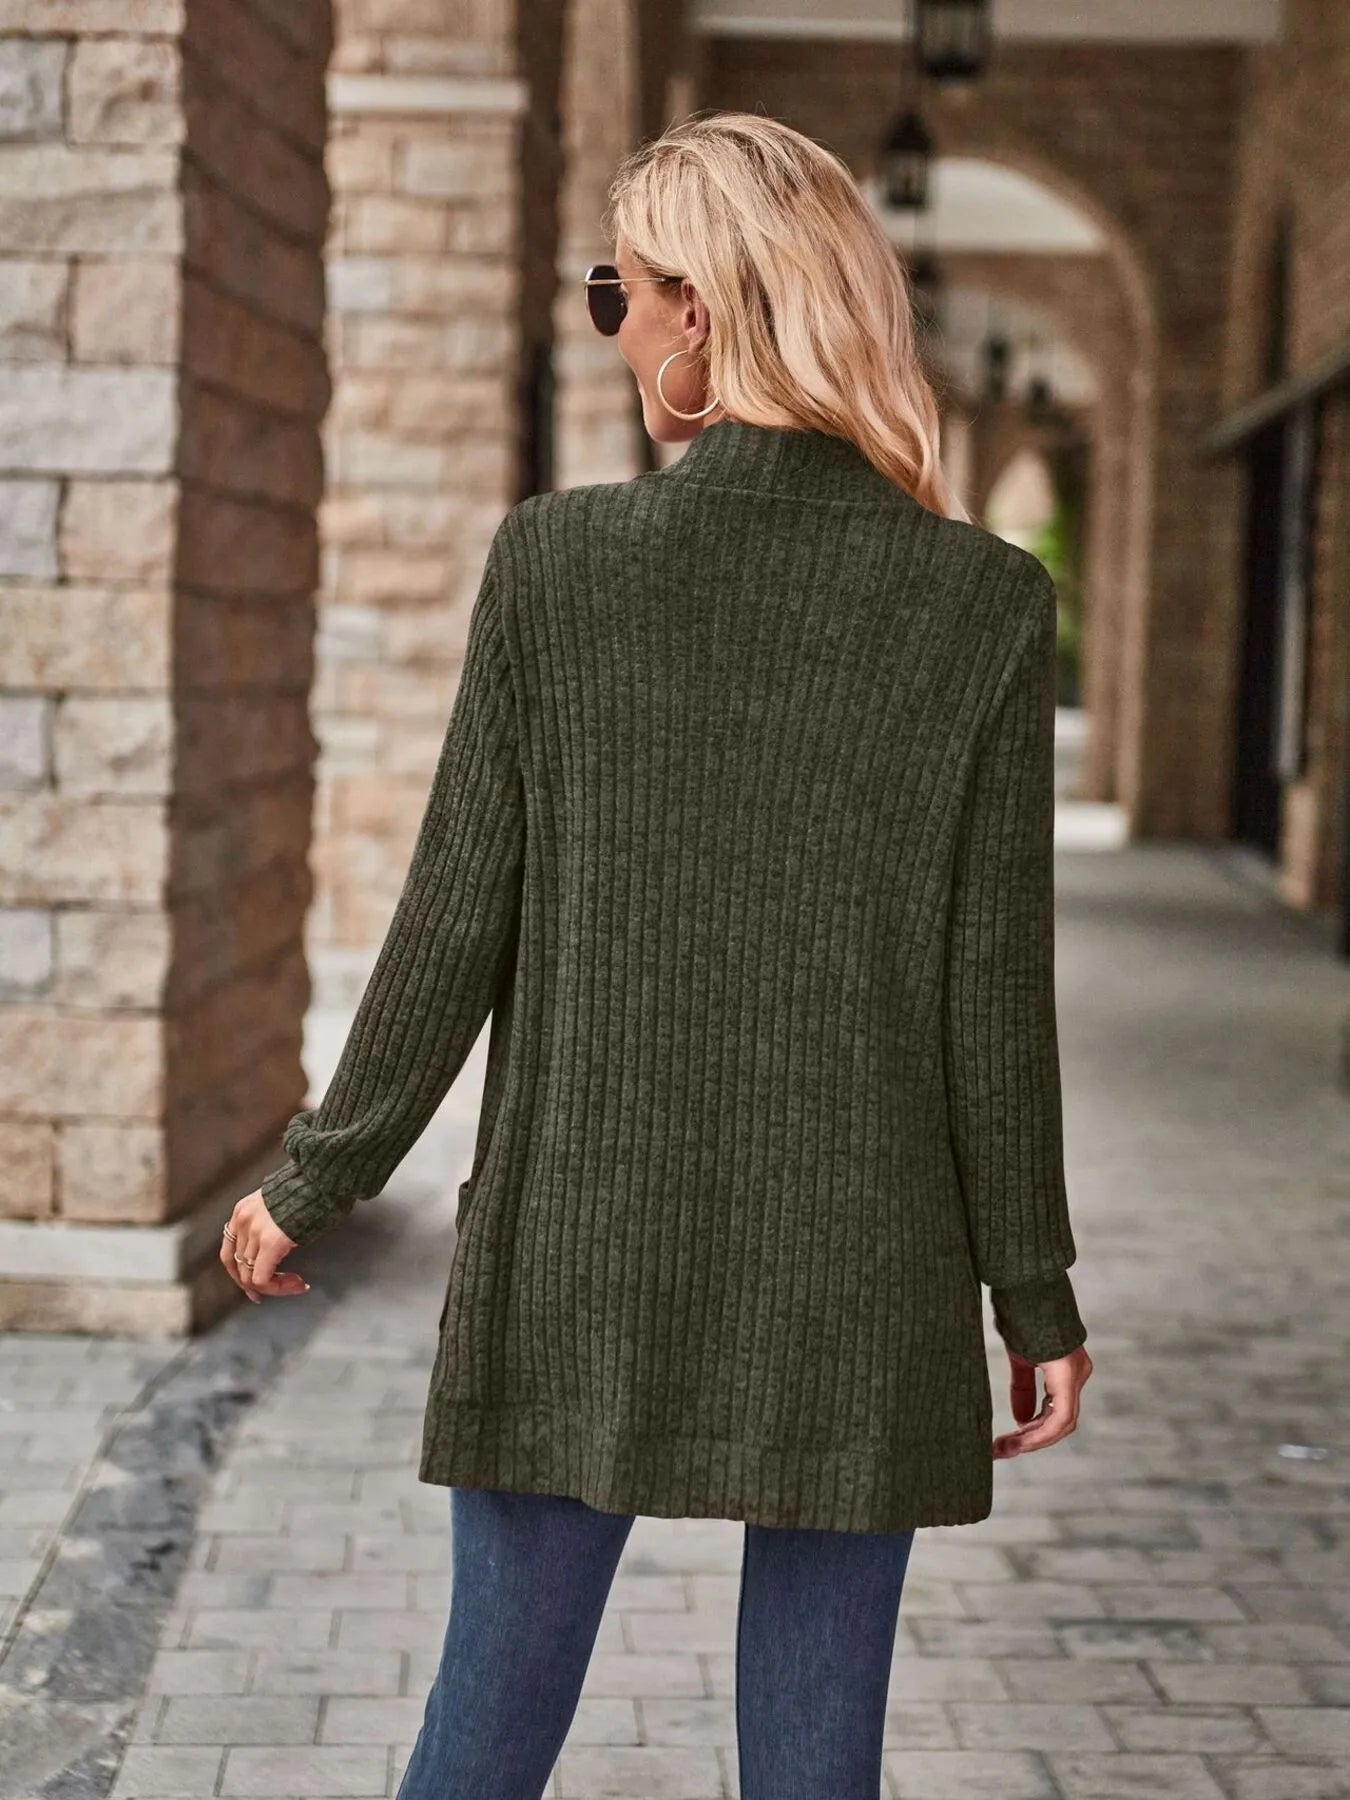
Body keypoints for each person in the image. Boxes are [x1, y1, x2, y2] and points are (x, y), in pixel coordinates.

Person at [221, 110, 1092, 1800]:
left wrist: (317, 1177)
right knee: (816, 1766)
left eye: (613, 290)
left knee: (484, 1732)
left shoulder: (559, 566)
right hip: (861, 1265)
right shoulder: (980, 601)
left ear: (695, 309)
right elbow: (989, 1000)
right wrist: (1033, 1294)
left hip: (581, 1247)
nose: (607, 324)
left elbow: (454, 920)